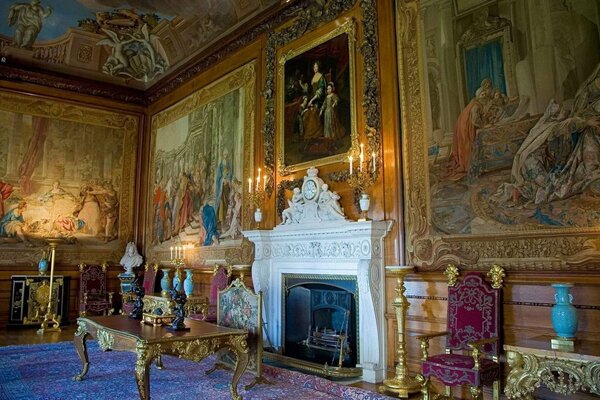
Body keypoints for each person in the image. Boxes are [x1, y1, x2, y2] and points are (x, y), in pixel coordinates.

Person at [490, 62, 600, 206]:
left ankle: (520, 191)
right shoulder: (549, 126)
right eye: (560, 112)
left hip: (541, 161)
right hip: (531, 164)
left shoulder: (550, 124)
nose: (563, 113)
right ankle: (520, 191)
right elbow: (564, 126)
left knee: (552, 181)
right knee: (551, 185)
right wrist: (586, 122)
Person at [444, 88, 490, 180]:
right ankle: (468, 165)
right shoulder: (476, 106)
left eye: (485, 94)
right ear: (478, 96)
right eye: (482, 94)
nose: (484, 96)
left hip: (466, 124)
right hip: (465, 127)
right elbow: (475, 120)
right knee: (467, 144)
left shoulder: (478, 103)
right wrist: (484, 126)